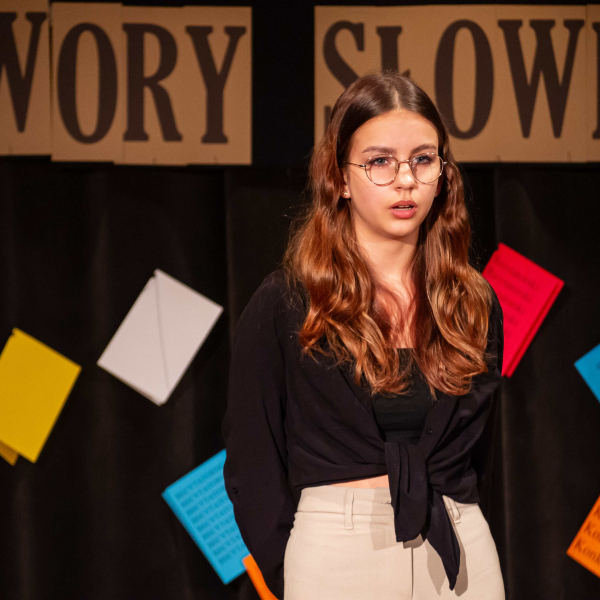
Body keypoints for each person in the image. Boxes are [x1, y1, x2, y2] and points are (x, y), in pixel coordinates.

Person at [222, 71, 505, 600]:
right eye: (380, 162)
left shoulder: (473, 303)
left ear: (443, 173)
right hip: (337, 550)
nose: (405, 180)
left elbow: (477, 457)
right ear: (341, 178)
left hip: (459, 545)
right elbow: (250, 459)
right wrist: (293, 567)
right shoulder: (288, 302)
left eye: (423, 159)